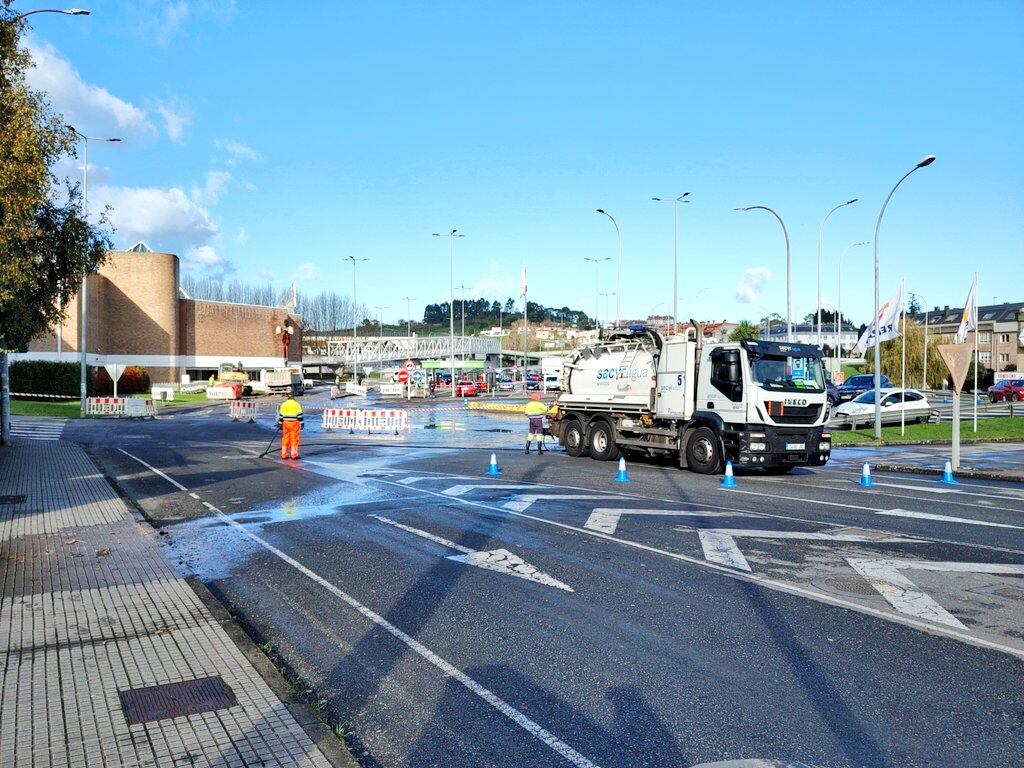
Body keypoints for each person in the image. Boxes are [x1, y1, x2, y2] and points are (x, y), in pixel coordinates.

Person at [276, 394, 304, 460]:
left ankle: (284, 454)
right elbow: (300, 415)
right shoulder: (297, 404)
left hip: (285, 423)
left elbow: (281, 416)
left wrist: (280, 424)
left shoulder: (283, 404)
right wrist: (302, 423)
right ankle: (294, 455)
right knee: (294, 438)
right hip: (294, 423)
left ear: (287, 398)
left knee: (285, 438)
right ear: (293, 398)